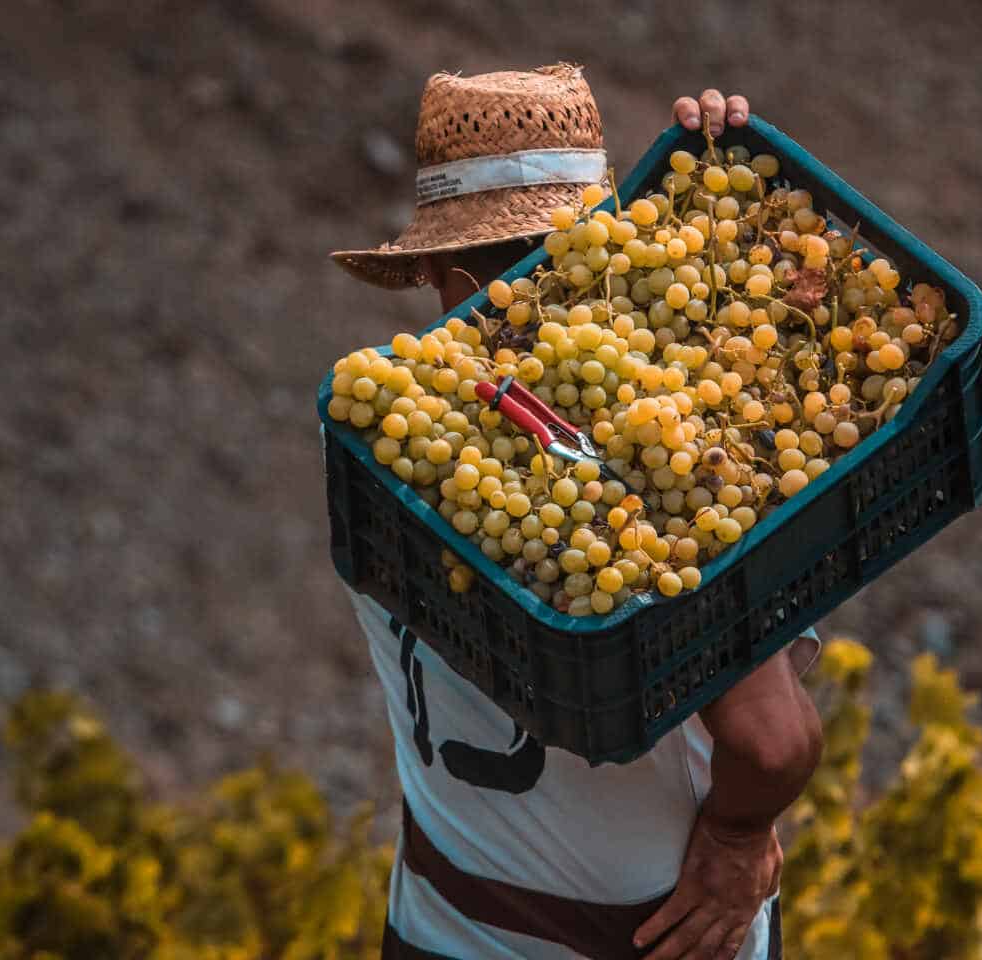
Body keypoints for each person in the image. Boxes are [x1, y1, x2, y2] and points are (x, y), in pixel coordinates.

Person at [330, 65, 824, 960]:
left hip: (439, 927)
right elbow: (772, 743)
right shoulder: (649, 457)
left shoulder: (381, 437)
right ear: (598, 251)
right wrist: (738, 839)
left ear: (436, 269)